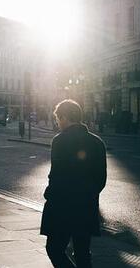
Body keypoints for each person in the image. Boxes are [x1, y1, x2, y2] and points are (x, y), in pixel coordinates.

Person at [41, 99, 107, 268]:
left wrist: (49, 194)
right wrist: (88, 194)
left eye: (58, 119)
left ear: (64, 117)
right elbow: (101, 179)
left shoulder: (60, 140)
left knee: (54, 249)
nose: (58, 123)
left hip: (62, 207)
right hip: (86, 206)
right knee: (83, 253)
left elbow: (56, 175)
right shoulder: (97, 142)